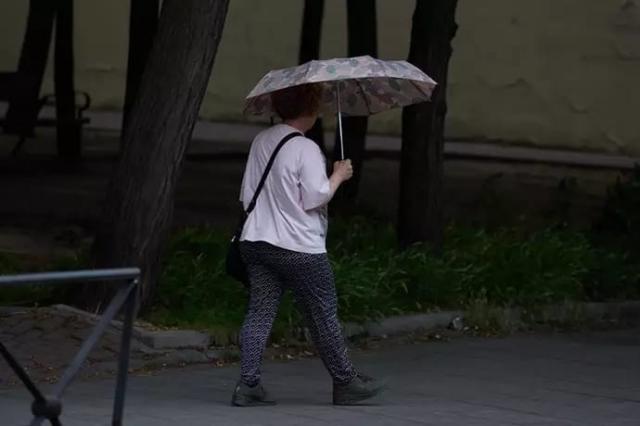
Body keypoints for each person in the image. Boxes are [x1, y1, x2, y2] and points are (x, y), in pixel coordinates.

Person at [231, 83, 385, 406]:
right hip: (299, 248)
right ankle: (345, 382)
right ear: (311, 110)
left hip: (256, 242)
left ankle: (248, 384)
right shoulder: (306, 149)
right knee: (323, 314)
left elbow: (246, 194)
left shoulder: (261, 141)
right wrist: (339, 175)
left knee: (260, 311)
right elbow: (315, 197)